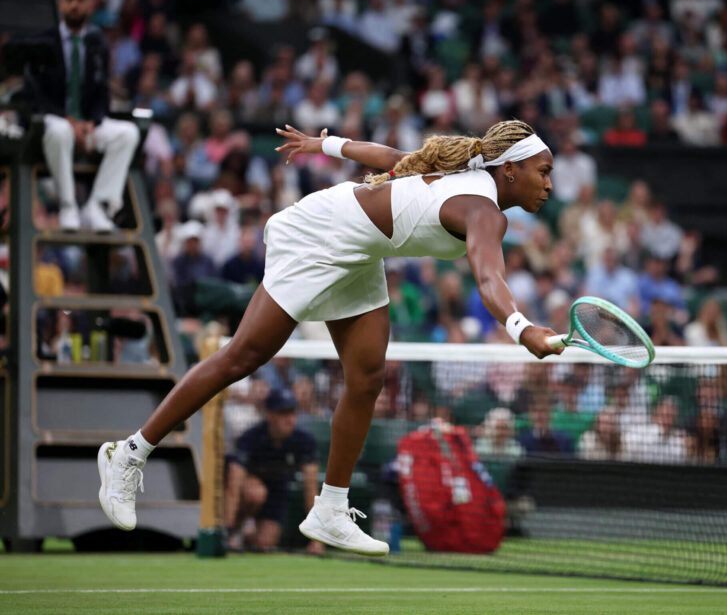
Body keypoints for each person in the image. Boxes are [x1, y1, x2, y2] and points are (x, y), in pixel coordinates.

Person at [97, 119, 562, 556]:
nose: (549, 185)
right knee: (245, 355)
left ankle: (330, 509)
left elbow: (392, 157)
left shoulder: (469, 182)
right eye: (542, 172)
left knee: (366, 379)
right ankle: (129, 453)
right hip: (321, 233)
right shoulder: (483, 210)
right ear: (510, 170)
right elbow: (489, 281)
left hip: (360, 251)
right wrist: (523, 329)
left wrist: (325, 144)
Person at [31, 0, 140, 231]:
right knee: (59, 130)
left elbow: (102, 94)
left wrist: (92, 122)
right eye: (69, 0)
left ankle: (98, 206)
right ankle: (68, 205)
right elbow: (34, 94)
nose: (74, 5)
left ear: (91, 6)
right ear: (60, 4)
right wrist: (71, 122)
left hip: (86, 123)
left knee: (127, 134)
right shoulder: (42, 42)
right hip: (52, 122)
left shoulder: (97, 43)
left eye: (80, 0)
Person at [223, 389, 322, 554]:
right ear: (269, 415)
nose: (289, 419)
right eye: (283, 413)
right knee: (255, 493)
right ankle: (231, 532)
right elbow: (233, 484)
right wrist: (226, 532)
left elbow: (311, 490)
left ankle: (245, 535)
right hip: (247, 490)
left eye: (292, 413)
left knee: (266, 542)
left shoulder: (304, 441)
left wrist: (317, 540)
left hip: (276, 490)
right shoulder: (251, 438)